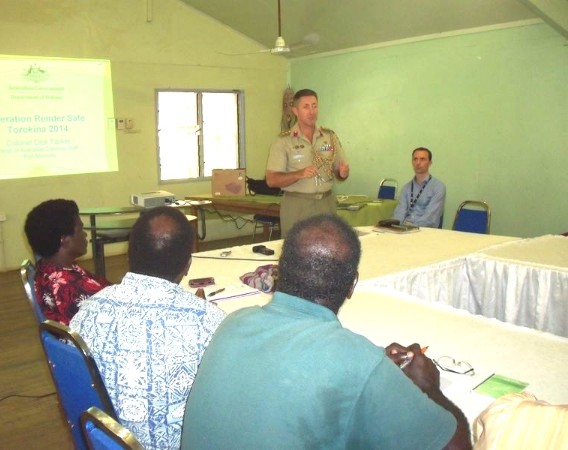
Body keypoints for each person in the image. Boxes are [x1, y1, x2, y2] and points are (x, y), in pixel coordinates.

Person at [181, 214, 471, 450]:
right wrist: (429, 386)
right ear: (352, 285)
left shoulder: (234, 322)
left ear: (278, 271)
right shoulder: (358, 362)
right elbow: (456, 447)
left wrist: (372, 369)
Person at [70, 206, 225, 450]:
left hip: (102, 440)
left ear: (128, 255)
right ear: (188, 265)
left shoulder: (87, 311)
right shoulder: (211, 324)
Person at [266, 88, 349, 236]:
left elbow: (339, 172)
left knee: (329, 245)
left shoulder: (329, 137)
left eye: (314, 106)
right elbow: (271, 180)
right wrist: (299, 174)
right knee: (297, 247)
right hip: (298, 205)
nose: (312, 111)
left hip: (326, 204)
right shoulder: (283, 141)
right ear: (295, 111)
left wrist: (343, 173)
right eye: (306, 107)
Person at [24, 199, 111, 325]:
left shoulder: (47, 267)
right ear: (64, 240)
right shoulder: (70, 288)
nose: (85, 234)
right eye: (80, 230)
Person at [393, 147, 446, 228]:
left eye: (422, 159)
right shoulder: (406, 188)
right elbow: (399, 213)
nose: (418, 163)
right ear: (412, 162)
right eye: (415, 159)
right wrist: (394, 226)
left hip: (424, 230)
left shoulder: (438, 187)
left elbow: (430, 218)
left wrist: (411, 227)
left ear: (430, 163)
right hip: (404, 229)